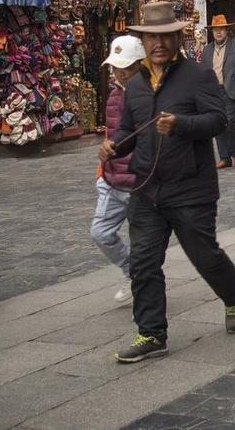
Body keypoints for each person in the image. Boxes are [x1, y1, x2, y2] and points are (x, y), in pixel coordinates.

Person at [102, 1, 235, 363]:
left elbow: (219, 121)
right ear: (143, 40)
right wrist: (114, 144)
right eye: (152, 37)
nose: (159, 44)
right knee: (143, 261)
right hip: (147, 190)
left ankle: (233, 294)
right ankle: (151, 333)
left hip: (191, 188)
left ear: (178, 38)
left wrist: (181, 124)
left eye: (166, 37)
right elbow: (128, 130)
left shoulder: (197, 76)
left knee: (203, 254)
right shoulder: (135, 84)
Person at [93, 35, 145, 305]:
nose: (119, 73)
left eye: (125, 67)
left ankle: (143, 283)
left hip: (139, 182)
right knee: (100, 233)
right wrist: (104, 160)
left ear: (139, 65)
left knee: (144, 243)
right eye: (116, 67)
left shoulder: (149, 93)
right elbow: (112, 132)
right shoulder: (114, 96)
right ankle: (132, 272)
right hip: (112, 178)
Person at [201, 15, 235, 169]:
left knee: (229, 121)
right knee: (217, 123)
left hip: (230, 89)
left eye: (221, 29)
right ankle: (225, 157)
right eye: (215, 30)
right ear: (212, 32)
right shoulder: (207, 49)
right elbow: (204, 73)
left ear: (226, 30)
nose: (218, 33)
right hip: (213, 91)